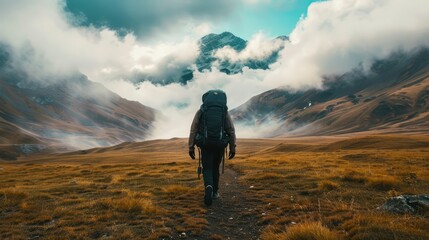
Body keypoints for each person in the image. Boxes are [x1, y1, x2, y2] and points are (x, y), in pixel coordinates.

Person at [188, 90, 236, 206]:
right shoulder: (224, 112)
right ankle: (215, 192)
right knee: (215, 167)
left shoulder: (201, 111)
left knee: (207, 168)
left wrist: (191, 147)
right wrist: (232, 147)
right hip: (219, 145)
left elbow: (193, 129)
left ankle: (208, 187)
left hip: (205, 144)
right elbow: (231, 130)